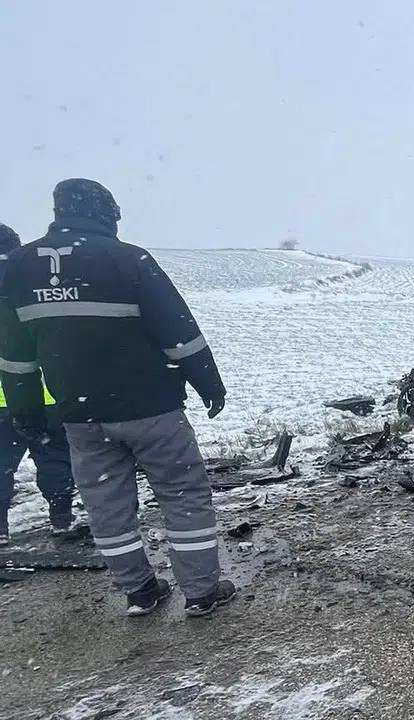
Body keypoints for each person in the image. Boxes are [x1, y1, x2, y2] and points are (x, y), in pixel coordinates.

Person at [0, 179, 234, 618]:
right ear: (106, 212)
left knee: (105, 504)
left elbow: (16, 357)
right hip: (153, 410)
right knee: (182, 494)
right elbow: (179, 332)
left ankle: (140, 591)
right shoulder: (127, 259)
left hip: (82, 418)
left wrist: (26, 410)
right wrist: (210, 385)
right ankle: (202, 591)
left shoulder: (21, 267)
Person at [0, 223, 75, 545]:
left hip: (3, 399)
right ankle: (61, 520)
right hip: (43, 392)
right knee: (55, 456)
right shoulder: (34, 281)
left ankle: (0, 533)